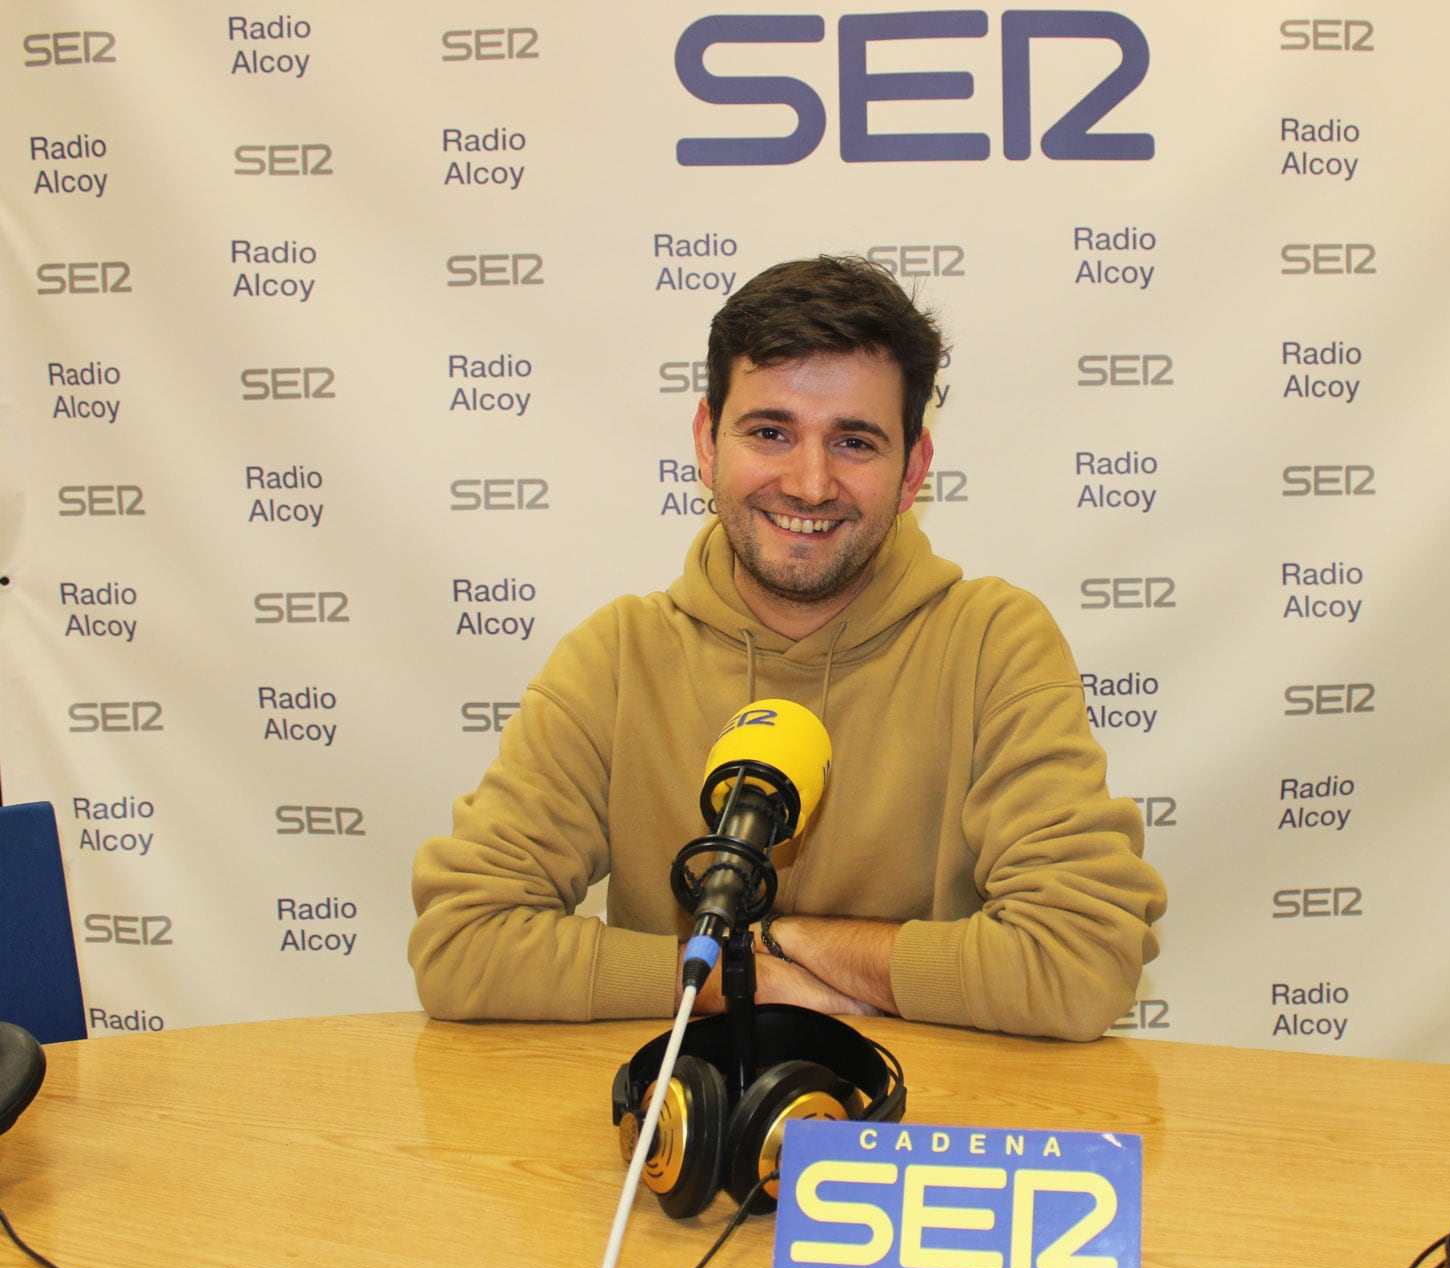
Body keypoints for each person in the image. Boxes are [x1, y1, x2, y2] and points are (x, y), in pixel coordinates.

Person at [409, 255, 1166, 1041]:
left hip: (915, 1144)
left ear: (913, 471)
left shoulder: (993, 646)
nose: (809, 484)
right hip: (687, 1140)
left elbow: (1082, 962)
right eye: (771, 432)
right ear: (707, 443)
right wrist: (716, 980)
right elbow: (462, 943)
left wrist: (789, 939)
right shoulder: (617, 658)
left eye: (855, 442)